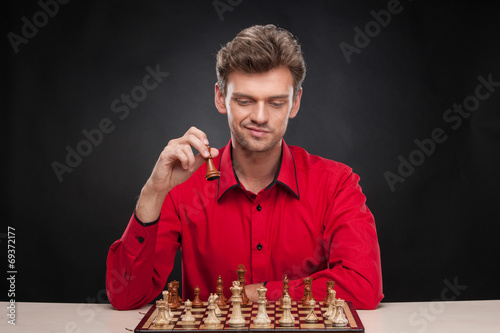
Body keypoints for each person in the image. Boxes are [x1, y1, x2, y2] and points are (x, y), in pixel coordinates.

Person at [106, 24, 383, 311]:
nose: (260, 117)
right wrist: (153, 192)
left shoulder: (337, 183)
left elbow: (364, 286)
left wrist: (260, 293)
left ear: (295, 103)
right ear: (220, 97)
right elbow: (126, 298)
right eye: (244, 101)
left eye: (276, 103)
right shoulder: (183, 184)